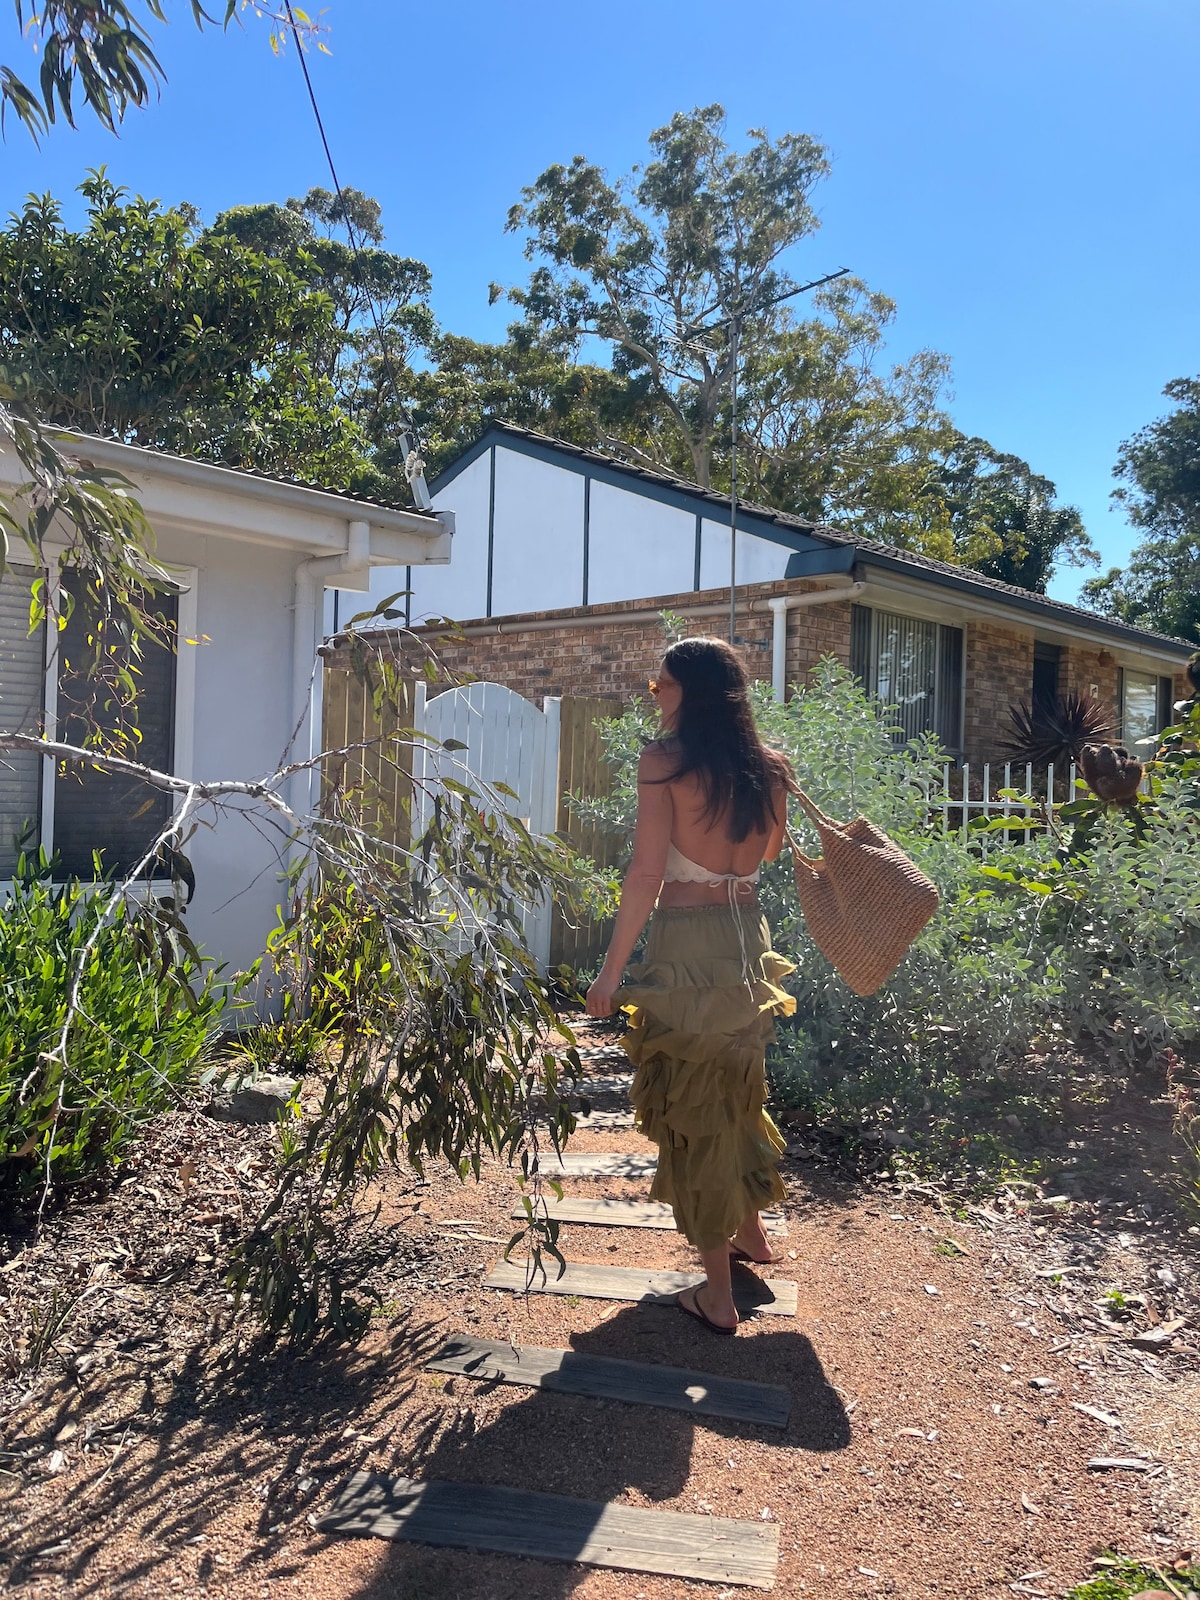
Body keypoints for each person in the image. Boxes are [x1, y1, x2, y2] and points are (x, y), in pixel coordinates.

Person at [585, 637, 797, 1334]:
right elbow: (768, 853)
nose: (655, 696)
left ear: (689, 693)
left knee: (692, 1105)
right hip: (748, 942)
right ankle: (751, 1234)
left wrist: (611, 972)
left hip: (686, 946)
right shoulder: (771, 767)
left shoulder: (664, 762)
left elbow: (647, 874)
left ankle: (718, 1297)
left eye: (660, 686)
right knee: (734, 1087)